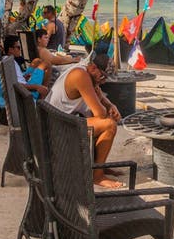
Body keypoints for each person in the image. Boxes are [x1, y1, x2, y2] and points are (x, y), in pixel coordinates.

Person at [45, 53, 123, 188]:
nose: (103, 81)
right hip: (56, 127)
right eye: (103, 77)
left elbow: (99, 98)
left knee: (106, 121)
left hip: (61, 121)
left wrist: (110, 105)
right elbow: (99, 114)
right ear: (93, 68)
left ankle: (99, 166)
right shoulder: (81, 76)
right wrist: (101, 101)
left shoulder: (85, 71)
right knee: (109, 125)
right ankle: (97, 176)